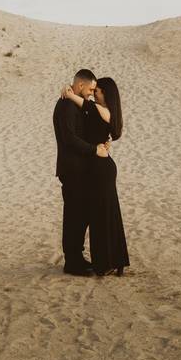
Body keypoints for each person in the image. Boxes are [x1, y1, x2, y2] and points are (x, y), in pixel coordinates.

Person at [61, 76, 129, 276]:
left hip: (100, 169)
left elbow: (83, 103)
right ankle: (116, 261)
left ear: (105, 94)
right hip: (101, 168)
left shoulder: (100, 110)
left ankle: (107, 262)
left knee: (101, 216)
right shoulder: (108, 113)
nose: (93, 93)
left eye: (97, 90)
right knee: (107, 213)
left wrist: (69, 92)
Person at [53, 69, 109, 276]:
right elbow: (69, 138)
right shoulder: (66, 105)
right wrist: (94, 149)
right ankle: (72, 262)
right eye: (91, 89)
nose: (91, 94)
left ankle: (76, 257)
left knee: (80, 215)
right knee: (74, 216)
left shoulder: (72, 101)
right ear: (81, 85)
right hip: (71, 169)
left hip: (78, 169)